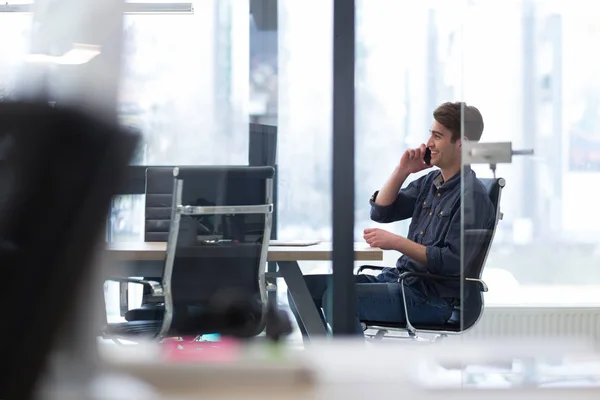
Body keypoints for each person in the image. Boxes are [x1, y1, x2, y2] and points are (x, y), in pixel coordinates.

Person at [300, 101, 496, 335]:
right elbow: (382, 212)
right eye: (430, 135)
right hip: (401, 281)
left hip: (431, 297)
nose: (429, 143)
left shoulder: (472, 195)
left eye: (437, 136)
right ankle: (323, 362)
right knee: (301, 290)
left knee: (338, 300)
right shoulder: (429, 182)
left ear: (461, 144)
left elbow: (452, 262)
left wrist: (396, 243)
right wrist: (402, 170)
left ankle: (349, 368)